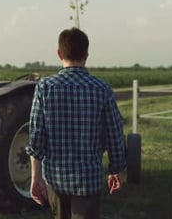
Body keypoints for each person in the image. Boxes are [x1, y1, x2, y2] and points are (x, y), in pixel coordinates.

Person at [26, 27, 127, 219]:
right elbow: (114, 132)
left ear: (59, 54)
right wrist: (115, 169)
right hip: (88, 180)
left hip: (55, 179)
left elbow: (36, 136)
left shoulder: (44, 88)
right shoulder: (101, 89)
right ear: (86, 55)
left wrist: (35, 177)